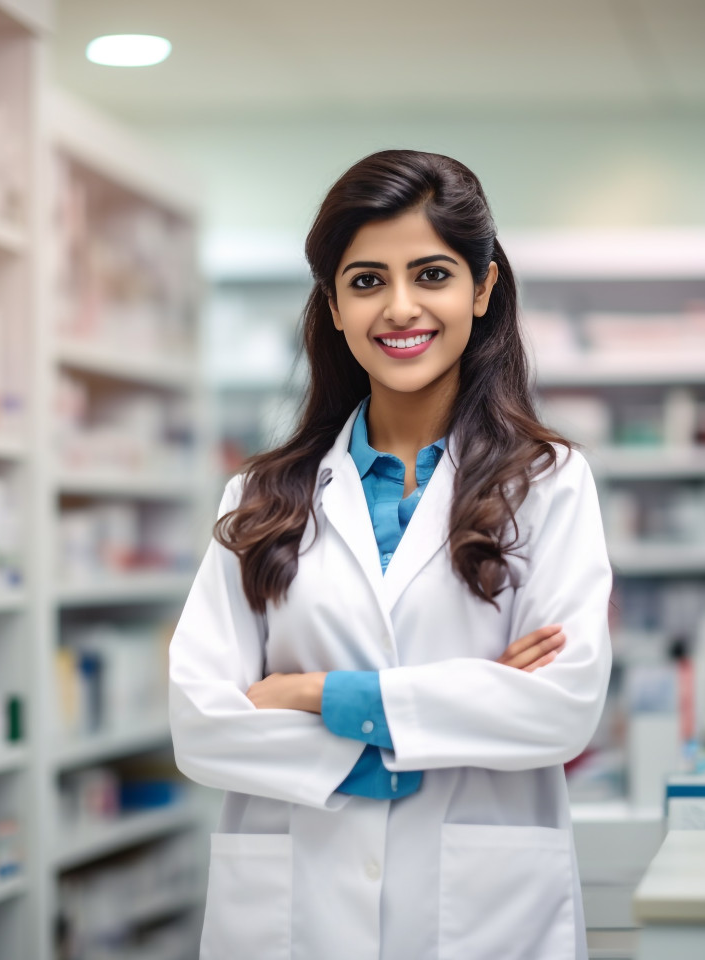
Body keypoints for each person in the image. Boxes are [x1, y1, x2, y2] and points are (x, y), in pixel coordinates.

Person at [168, 149, 613, 960]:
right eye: (367, 280)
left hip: (485, 915)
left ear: (482, 289)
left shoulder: (547, 484)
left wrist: (310, 693)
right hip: (295, 912)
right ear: (333, 305)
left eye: (432, 275)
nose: (400, 309)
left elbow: (561, 708)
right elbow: (201, 725)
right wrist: (456, 711)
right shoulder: (260, 498)